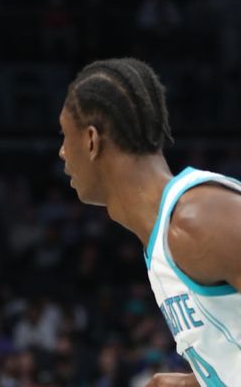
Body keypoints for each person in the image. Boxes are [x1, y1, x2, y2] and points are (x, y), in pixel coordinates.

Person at [58, 58, 241, 386]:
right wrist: (195, 382)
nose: (60, 153)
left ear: (90, 140)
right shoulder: (165, 236)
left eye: (63, 136)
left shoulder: (199, 219)